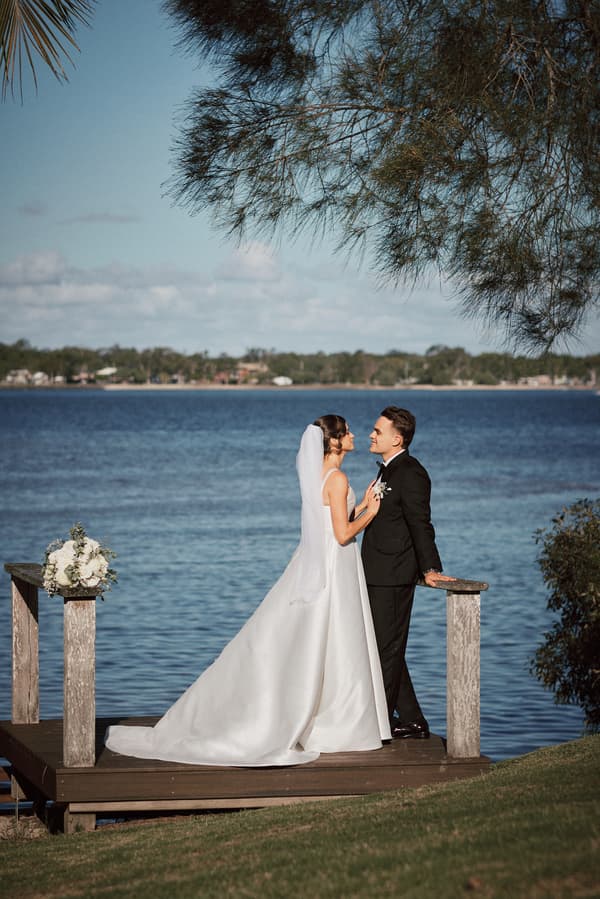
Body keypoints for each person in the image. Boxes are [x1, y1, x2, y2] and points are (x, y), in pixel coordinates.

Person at [105, 415, 391, 766]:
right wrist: (372, 513)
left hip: (324, 563)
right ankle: (334, 721)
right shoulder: (338, 478)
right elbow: (344, 535)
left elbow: (331, 521)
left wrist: (359, 505)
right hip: (336, 566)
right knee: (335, 640)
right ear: (333, 442)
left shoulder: (321, 477)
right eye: (346, 431)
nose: (353, 435)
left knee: (322, 641)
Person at [361, 406, 453, 740]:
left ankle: (381, 725)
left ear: (396, 439)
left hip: (395, 573)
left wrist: (429, 568)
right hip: (375, 571)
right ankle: (412, 719)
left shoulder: (411, 472)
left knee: (386, 649)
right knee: (385, 647)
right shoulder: (386, 471)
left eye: (377, 431)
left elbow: (419, 522)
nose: (372, 434)